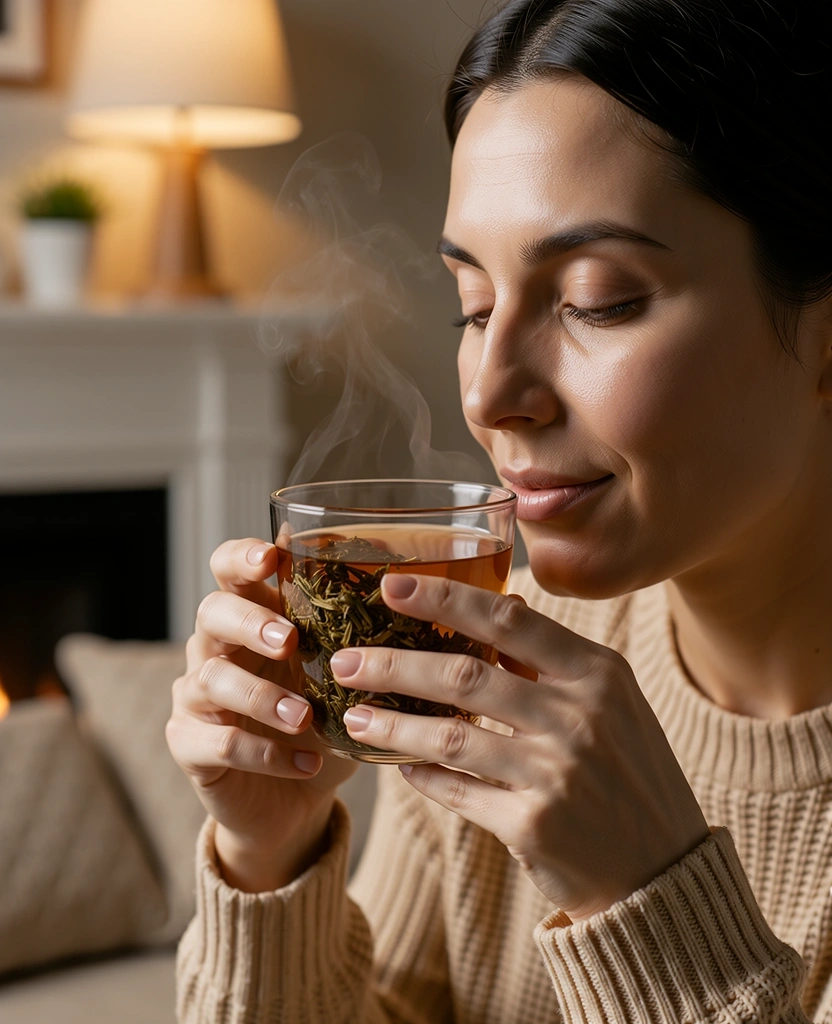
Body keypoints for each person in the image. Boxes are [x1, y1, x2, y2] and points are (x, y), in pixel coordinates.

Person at [166, 0, 832, 1020]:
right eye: (473, 308)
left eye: (598, 298)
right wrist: (271, 857)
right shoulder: (500, 660)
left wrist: (646, 903)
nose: (486, 394)